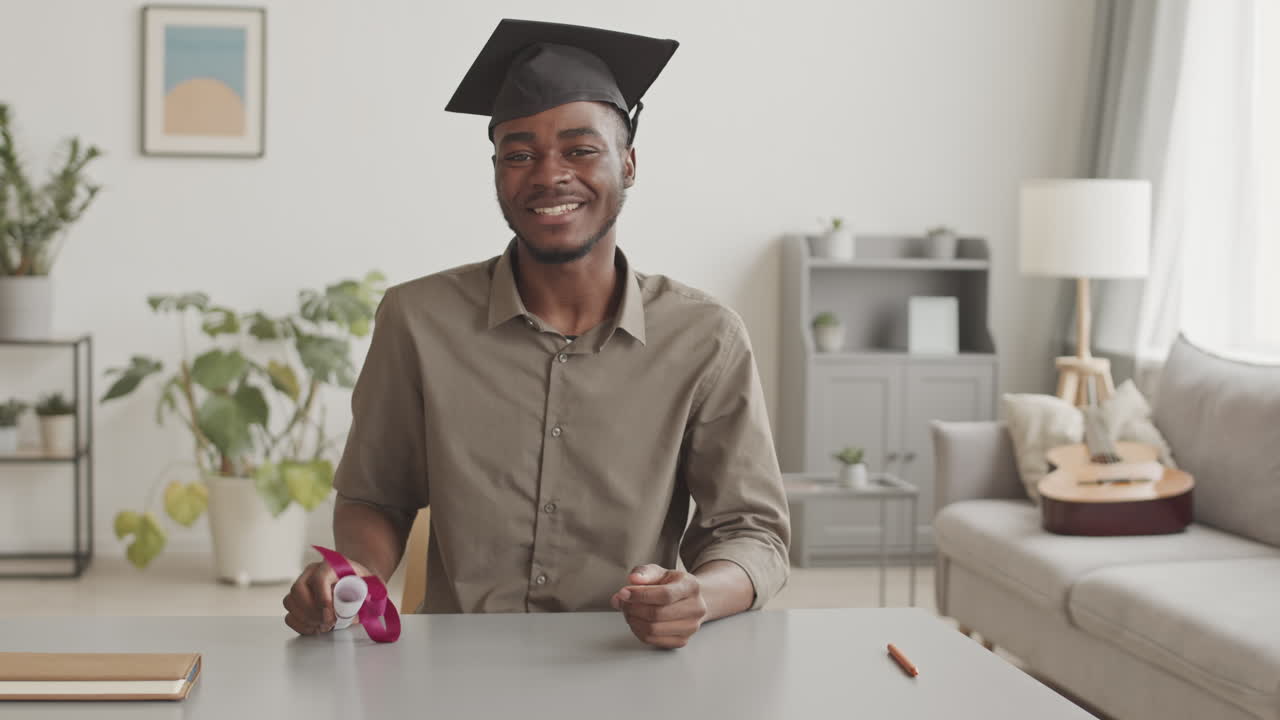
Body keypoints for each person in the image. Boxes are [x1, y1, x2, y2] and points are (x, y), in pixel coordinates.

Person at [283, 19, 790, 649]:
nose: (549, 175)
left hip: (627, 663)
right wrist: (355, 574)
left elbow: (750, 530)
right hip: (456, 669)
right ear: (497, 171)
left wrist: (700, 597)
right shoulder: (416, 320)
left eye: (580, 149)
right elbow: (375, 497)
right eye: (519, 154)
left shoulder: (705, 338)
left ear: (628, 163)